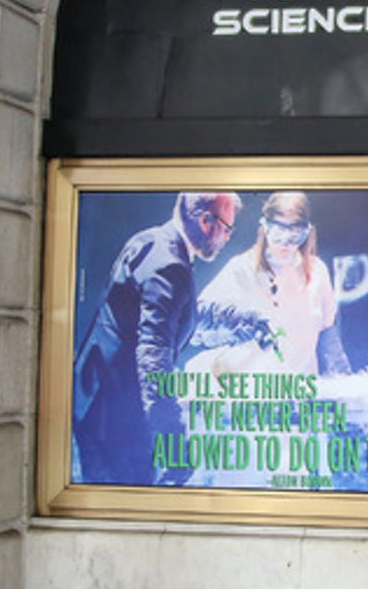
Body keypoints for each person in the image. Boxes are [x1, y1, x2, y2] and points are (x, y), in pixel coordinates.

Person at [72, 191, 242, 484]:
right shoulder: (170, 266)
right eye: (227, 229)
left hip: (96, 403)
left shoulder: (152, 240)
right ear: (205, 221)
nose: (227, 238)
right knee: (126, 508)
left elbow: (170, 313)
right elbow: (154, 357)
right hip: (116, 422)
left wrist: (238, 320)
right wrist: (174, 444)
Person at [189, 192, 338, 376]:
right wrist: (235, 330)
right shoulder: (241, 269)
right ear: (265, 228)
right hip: (254, 388)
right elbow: (197, 322)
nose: (285, 243)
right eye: (278, 233)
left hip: (300, 388)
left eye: (294, 235)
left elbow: (329, 336)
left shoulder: (317, 271)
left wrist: (342, 380)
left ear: (306, 233)